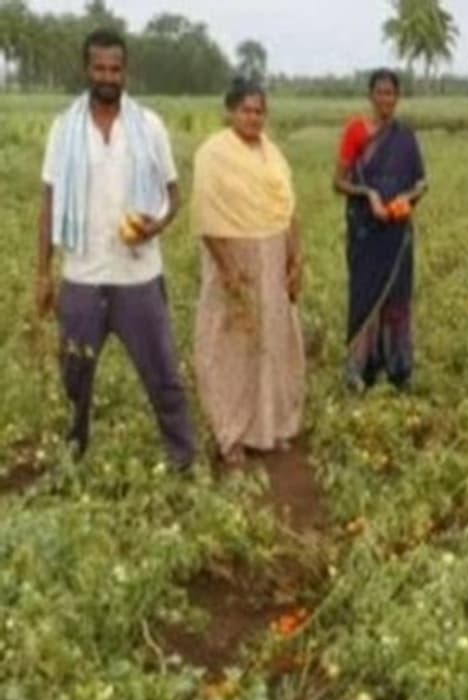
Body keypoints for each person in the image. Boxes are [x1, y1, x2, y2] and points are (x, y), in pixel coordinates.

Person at [36, 29, 197, 470]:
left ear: (126, 71)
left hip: (138, 275)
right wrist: (42, 273)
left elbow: (174, 194)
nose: (107, 76)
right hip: (83, 276)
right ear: (87, 69)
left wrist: (156, 225)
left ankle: (184, 461)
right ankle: (73, 458)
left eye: (115, 68)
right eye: (99, 67)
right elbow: (49, 202)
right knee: (75, 378)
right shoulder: (64, 129)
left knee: (163, 374)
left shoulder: (149, 126)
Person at [192, 78, 305, 465]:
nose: (253, 117)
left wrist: (296, 259)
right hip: (233, 257)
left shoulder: (272, 154)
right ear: (230, 111)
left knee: (273, 339)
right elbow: (207, 217)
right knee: (231, 342)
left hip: (272, 254)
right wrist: (228, 269)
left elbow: (287, 208)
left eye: (259, 111)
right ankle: (230, 433)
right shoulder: (214, 154)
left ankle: (269, 428)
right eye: (246, 110)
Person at [334, 69, 428, 393]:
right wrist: (368, 194)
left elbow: (421, 182)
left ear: (397, 97)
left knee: (398, 297)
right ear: (371, 96)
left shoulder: (406, 136)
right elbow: (339, 181)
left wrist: (407, 198)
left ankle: (399, 367)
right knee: (364, 297)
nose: (385, 99)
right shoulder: (356, 131)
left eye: (391, 93)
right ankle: (362, 369)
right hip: (366, 231)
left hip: (398, 233)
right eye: (380, 92)